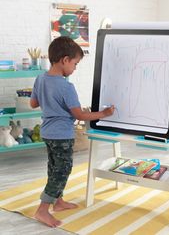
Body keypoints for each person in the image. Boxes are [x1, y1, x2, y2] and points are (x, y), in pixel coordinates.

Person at [30, 36, 114, 228]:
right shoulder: (66, 87)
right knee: (62, 170)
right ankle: (42, 210)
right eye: (75, 64)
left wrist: (50, 101)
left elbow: (33, 103)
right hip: (62, 135)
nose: (75, 68)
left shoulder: (40, 78)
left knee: (54, 167)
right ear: (65, 60)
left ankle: (58, 202)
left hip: (47, 133)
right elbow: (79, 115)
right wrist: (103, 113)